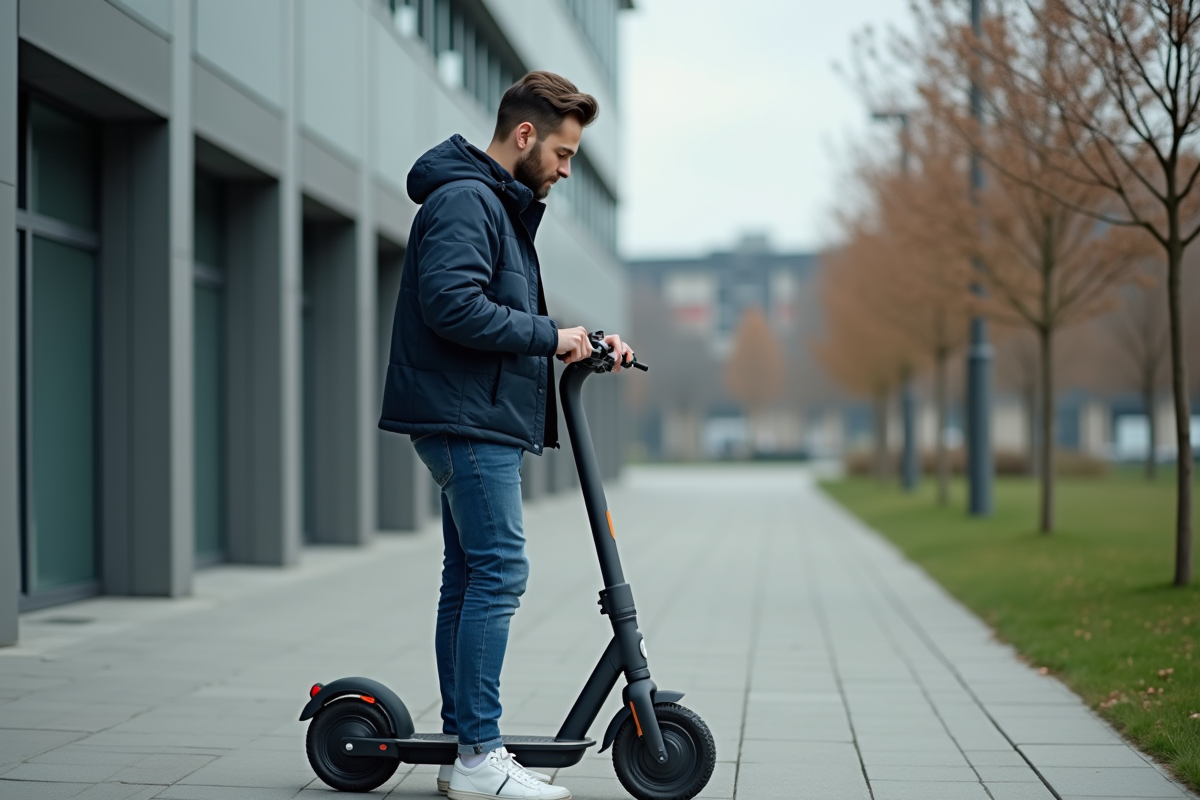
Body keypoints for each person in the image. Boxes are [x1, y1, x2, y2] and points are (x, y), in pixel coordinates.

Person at [379, 71, 633, 800]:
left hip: (473, 416)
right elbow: (455, 306)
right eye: (562, 152)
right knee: (498, 573)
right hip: (465, 419)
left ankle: (470, 743)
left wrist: (582, 343)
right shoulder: (467, 200)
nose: (564, 168)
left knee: (469, 579)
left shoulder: (496, 204)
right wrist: (552, 338)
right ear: (524, 136)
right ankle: (479, 757)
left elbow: (495, 311)